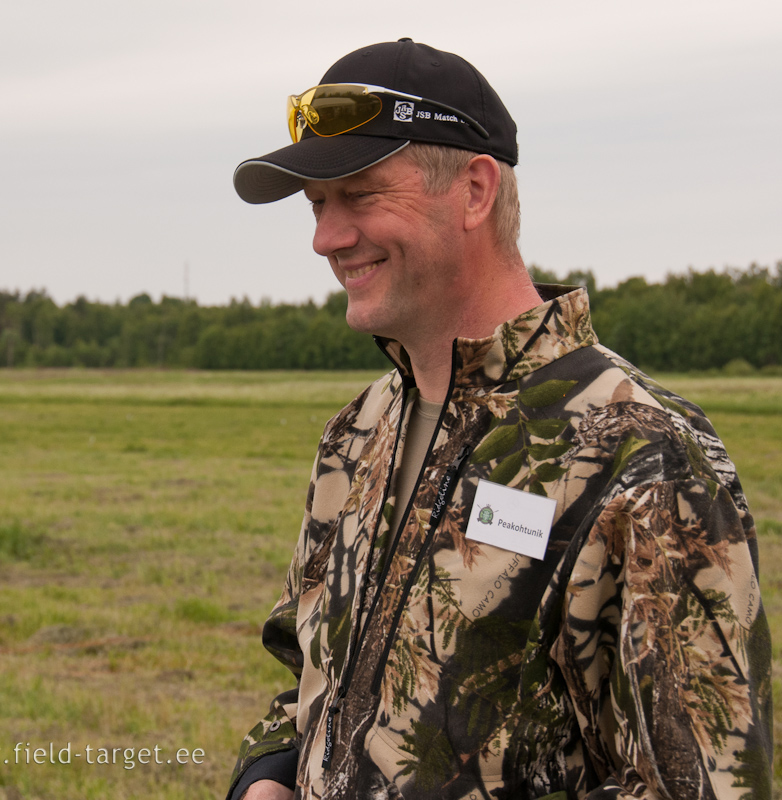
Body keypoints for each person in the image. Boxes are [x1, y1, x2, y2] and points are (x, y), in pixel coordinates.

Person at [226, 39, 772, 800]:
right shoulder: (359, 433)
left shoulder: (643, 457)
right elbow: (310, 674)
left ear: (475, 191)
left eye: (361, 195)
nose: (326, 237)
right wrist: (267, 777)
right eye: (319, 205)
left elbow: (700, 785)